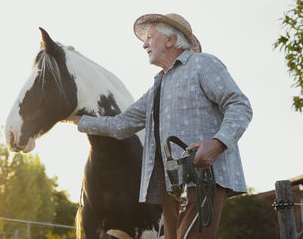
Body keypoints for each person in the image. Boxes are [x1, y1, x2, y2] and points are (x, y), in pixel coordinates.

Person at [71, 13, 253, 239]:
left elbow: (240, 105)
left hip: (202, 178)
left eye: (149, 37)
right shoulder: (158, 86)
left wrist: (217, 143)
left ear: (170, 40)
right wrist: (79, 120)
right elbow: (121, 124)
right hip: (170, 187)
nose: (144, 44)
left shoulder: (203, 64)